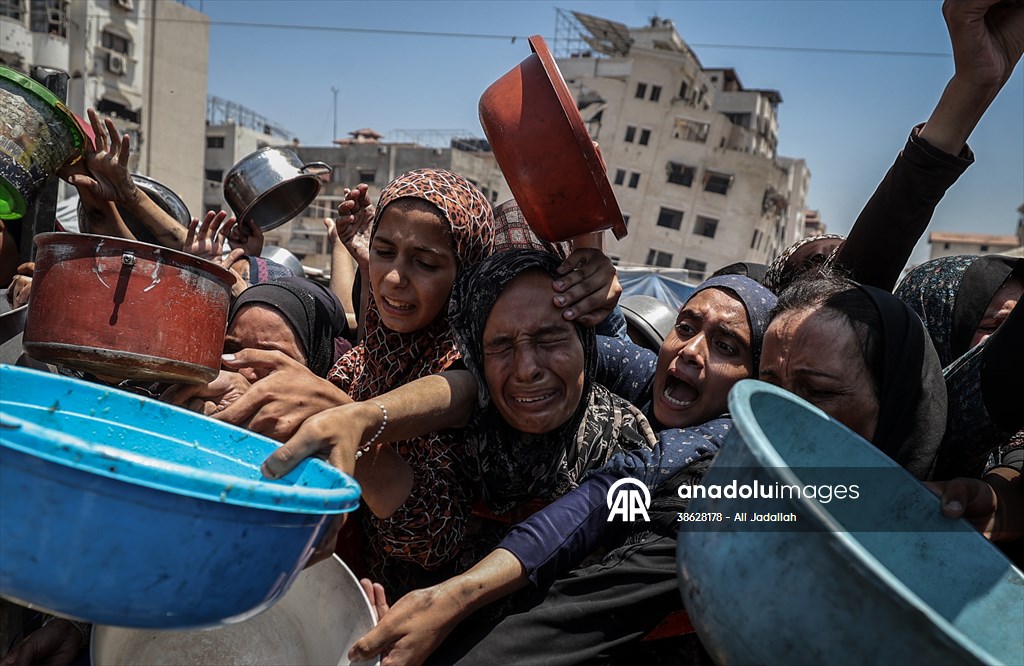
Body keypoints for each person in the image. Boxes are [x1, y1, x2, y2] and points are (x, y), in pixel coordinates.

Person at [312, 272, 776, 665]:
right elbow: (482, 382)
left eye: (726, 346)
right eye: (686, 326)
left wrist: (453, 598)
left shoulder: (722, 440)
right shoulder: (646, 372)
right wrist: (366, 417)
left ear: (756, 381)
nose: (692, 351)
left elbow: (603, 496)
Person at [759, 274, 947, 479]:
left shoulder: (944, 506)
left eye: (817, 392)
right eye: (770, 390)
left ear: (894, 405)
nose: (782, 419)